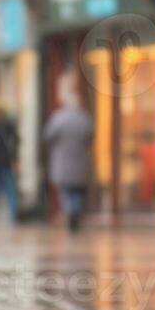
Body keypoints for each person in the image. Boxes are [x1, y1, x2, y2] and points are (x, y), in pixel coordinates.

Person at [43, 91, 94, 232]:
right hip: (80, 161)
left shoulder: (58, 118)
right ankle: (75, 210)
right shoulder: (84, 119)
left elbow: (48, 136)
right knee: (77, 190)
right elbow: (90, 137)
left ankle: (71, 211)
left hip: (62, 161)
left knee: (66, 190)